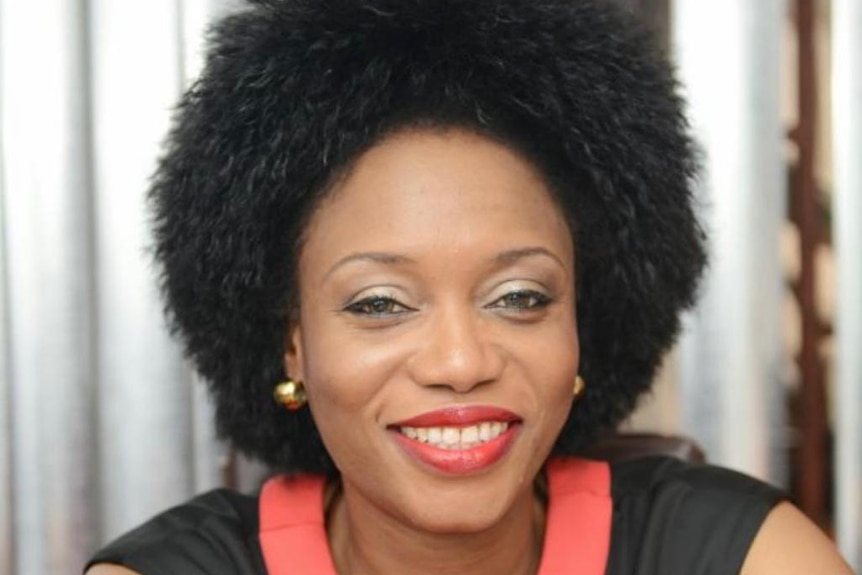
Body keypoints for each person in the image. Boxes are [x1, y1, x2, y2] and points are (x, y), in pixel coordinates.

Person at [85, 0, 854, 574]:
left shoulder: (737, 557)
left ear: (582, 321)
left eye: (519, 296)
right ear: (293, 343)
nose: (460, 361)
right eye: (380, 303)